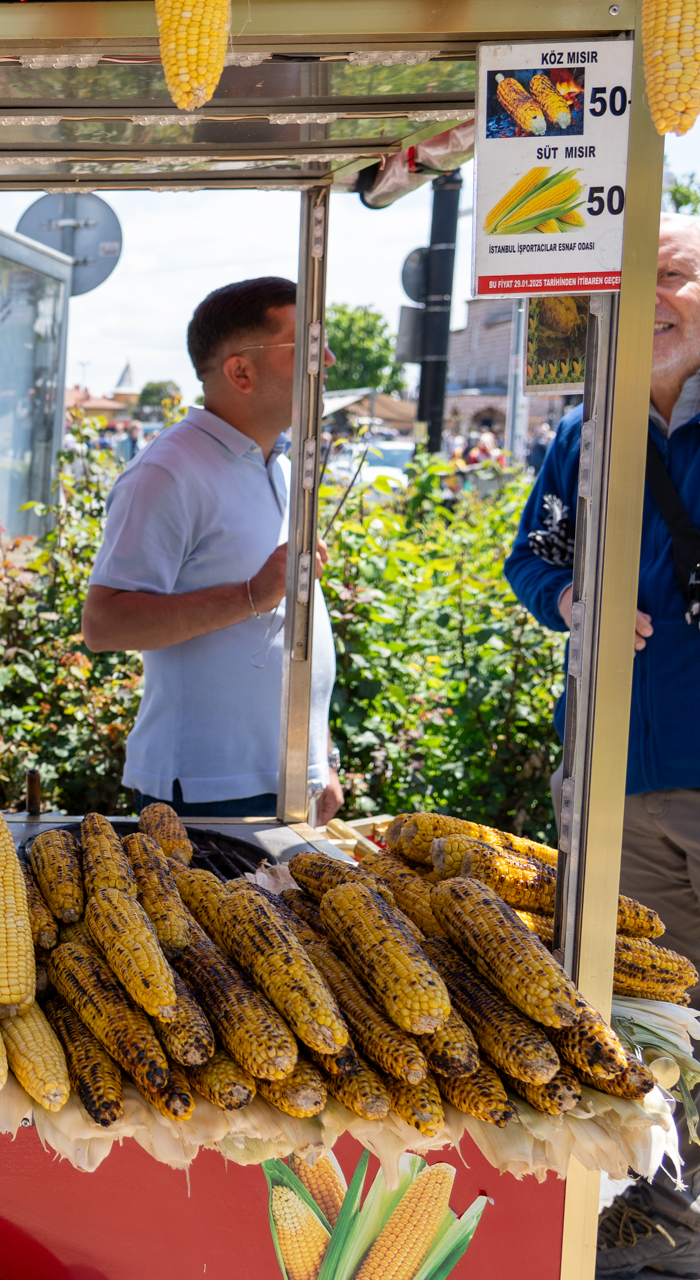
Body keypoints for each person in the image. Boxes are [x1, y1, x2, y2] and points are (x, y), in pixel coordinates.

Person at [504, 212, 700, 1276]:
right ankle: (665, 1221)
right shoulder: (589, 428)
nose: (650, 300)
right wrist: (572, 595)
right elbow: (531, 558)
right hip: (625, 780)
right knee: (654, 1012)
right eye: (631, 283)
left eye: (670, 274)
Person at [81, 276, 343, 822]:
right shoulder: (167, 472)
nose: (331, 361)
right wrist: (251, 594)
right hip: (205, 790)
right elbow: (105, 623)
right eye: (309, 347)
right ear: (240, 371)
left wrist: (321, 761)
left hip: (289, 778)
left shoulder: (281, 468)